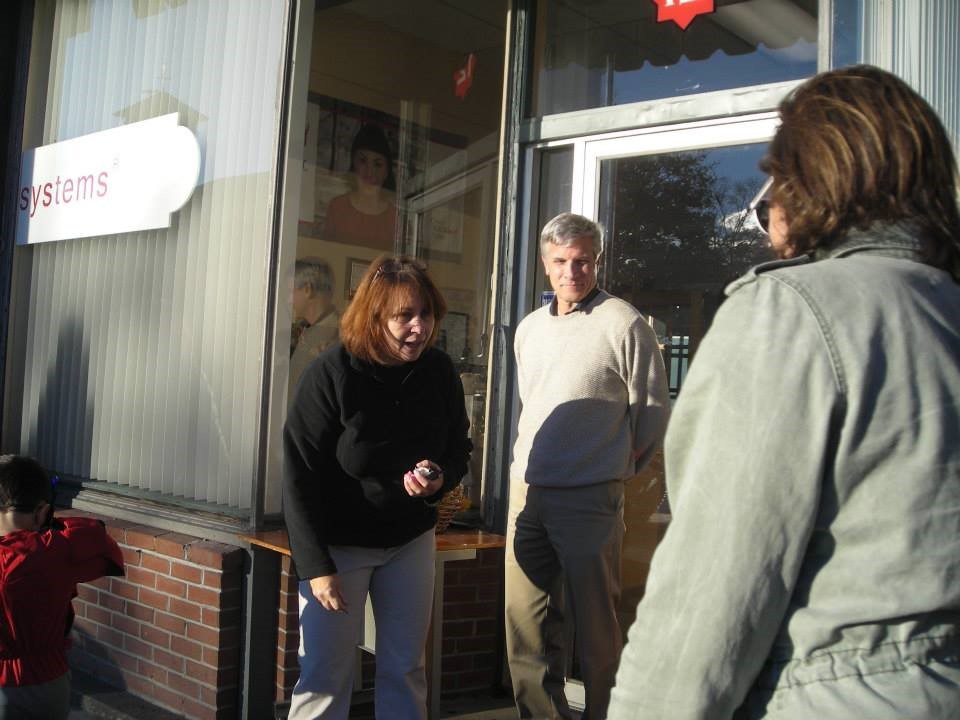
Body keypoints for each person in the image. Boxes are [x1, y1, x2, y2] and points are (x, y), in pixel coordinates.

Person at [607, 65, 960, 720]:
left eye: (777, 178)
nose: (767, 204)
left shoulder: (790, 310)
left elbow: (707, 598)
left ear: (813, 182)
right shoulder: (942, 312)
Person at [283, 255, 472, 720]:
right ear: (374, 317)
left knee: (406, 669)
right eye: (403, 316)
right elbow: (299, 472)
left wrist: (440, 475)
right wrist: (316, 568)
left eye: (425, 314)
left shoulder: (439, 371)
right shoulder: (332, 373)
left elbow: (459, 447)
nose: (419, 327)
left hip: (410, 540)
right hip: (340, 547)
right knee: (327, 674)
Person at [505, 212, 670, 720]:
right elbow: (533, 402)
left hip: (590, 497)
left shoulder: (623, 323)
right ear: (544, 264)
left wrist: (616, 466)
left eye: (582, 262)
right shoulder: (530, 329)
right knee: (525, 627)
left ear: (596, 261)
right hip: (526, 494)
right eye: (560, 262)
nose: (571, 272)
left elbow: (651, 413)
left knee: (598, 632)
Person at [0, 454, 124, 720]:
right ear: (43, 512)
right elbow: (103, 547)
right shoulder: (59, 550)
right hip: (49, 683)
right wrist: (53, 527)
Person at [324, 124, 397, 251]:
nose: (370, 172)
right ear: (353, 164)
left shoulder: (396, 219)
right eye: (363, 161)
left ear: (387, 171)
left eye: (378, 164)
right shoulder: (337, 207)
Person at [289, 257, 339, 396]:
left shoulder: (332, 337)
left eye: (290, 292)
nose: (288, 300)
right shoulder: (311, 329)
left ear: (307, 290)